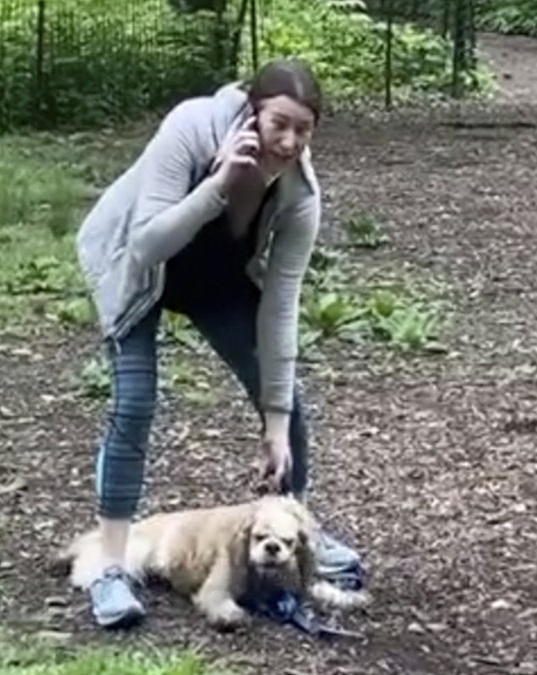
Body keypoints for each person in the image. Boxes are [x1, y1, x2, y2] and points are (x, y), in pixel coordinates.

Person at [73, 58, 360, 630]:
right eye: (279, 124)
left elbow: (280, 309)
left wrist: (274, 423)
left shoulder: (300, 194)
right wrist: (218, 185)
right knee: (134, 403)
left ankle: (294, 534)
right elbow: (147, 245)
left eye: (304, 129)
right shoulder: (192, 127)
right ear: (252, 113)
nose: (290, 141)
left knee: (287, 402)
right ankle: (110, 567)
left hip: (214, 280)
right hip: (137, 269)